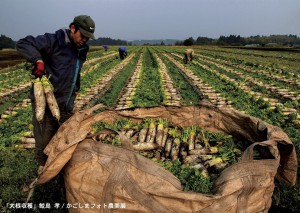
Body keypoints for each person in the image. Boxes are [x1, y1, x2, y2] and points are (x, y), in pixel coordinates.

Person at [16, 15, 96, 173]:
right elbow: (23, 43)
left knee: (69, 141)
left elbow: (76, 70)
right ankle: (44, 179)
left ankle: (63, 175)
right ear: (73, 28)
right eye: (83, 36)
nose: (85, 40)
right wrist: (38, 60)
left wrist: (76, 87)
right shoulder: (54, 40)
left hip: (65, 105)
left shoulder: (82, 49)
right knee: (44, 145)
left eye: (88, 38)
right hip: (46, 104)